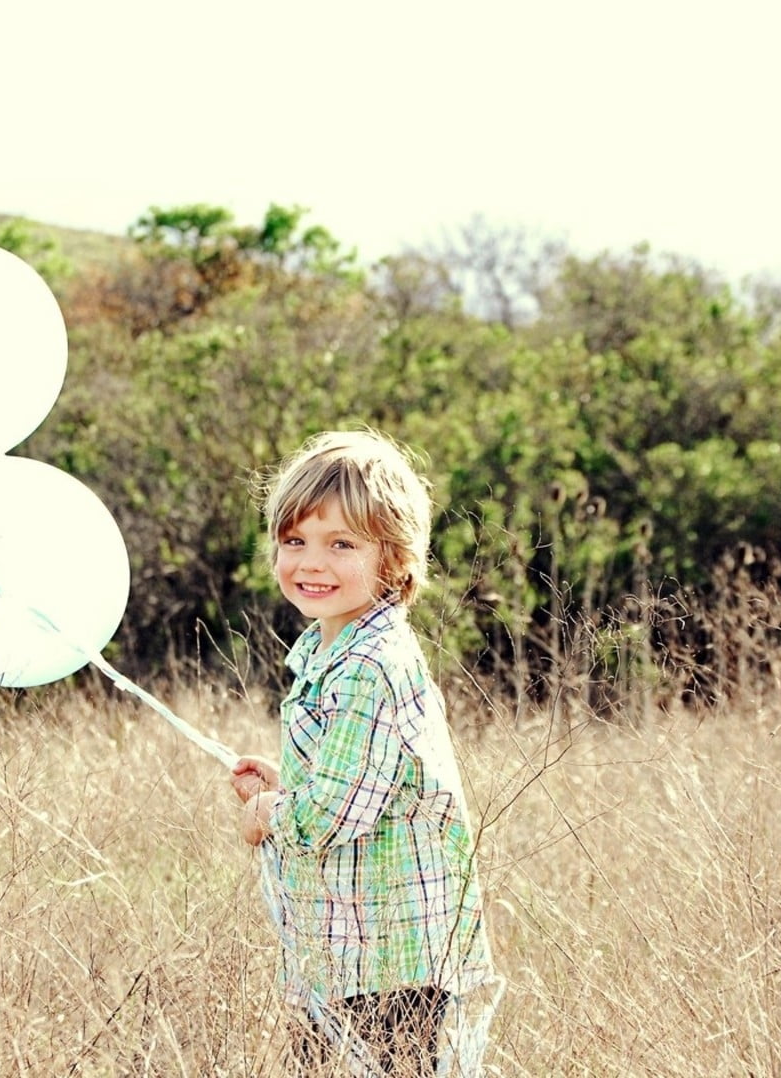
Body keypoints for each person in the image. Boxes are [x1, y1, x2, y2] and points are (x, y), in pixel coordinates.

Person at [231, 429, 497, 1076]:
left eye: (341, 544)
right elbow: (358, 783)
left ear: (395, 559)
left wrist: (271, 810)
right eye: (295, 541)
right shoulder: (334, 653)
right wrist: (290, 778)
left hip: (389, 957)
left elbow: (329, 816)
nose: (310, 562)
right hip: (347, 951)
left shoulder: (369, 667)